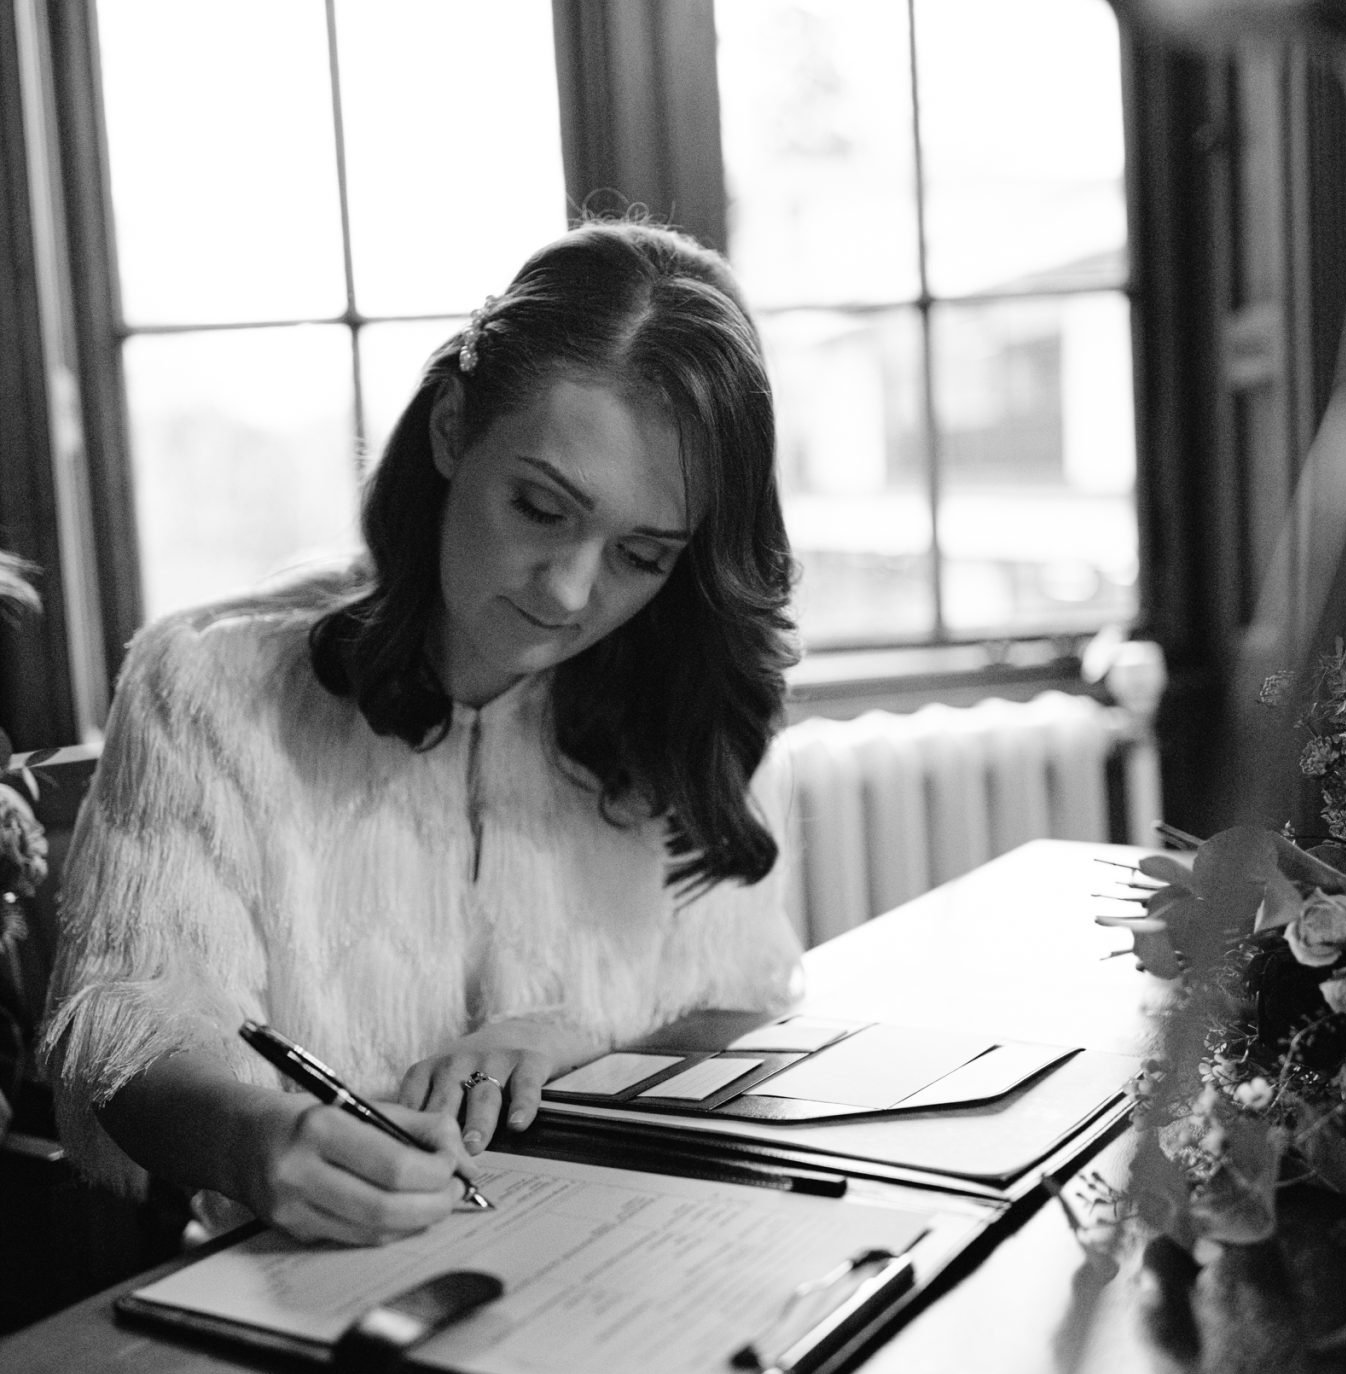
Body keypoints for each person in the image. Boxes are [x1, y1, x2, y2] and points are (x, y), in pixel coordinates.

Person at [42, 220, 803, 1245]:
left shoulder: (693, 702)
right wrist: (257, 1140)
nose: (569, 592)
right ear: (452, 428)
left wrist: (583, 1044)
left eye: (642, 555)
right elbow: (123, 1031)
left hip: (623, 1263)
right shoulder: (208, 686)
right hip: (310, 1281)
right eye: (541, 508)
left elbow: (744, 1006)